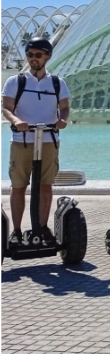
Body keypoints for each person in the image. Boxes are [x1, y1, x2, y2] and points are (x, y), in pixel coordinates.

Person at [1, 38, 70, 246]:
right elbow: (6, 108)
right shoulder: (16, 81)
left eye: (38, 55)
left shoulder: (57, 82)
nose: (33, 59)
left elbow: (64, 107)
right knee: (19, 186)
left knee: (46, 186)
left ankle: (41, 228)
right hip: (22, 140)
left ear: (47, 57)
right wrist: (16, 120)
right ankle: (17, 231)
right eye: (30, 55)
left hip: (49, 140)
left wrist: (63, 120)